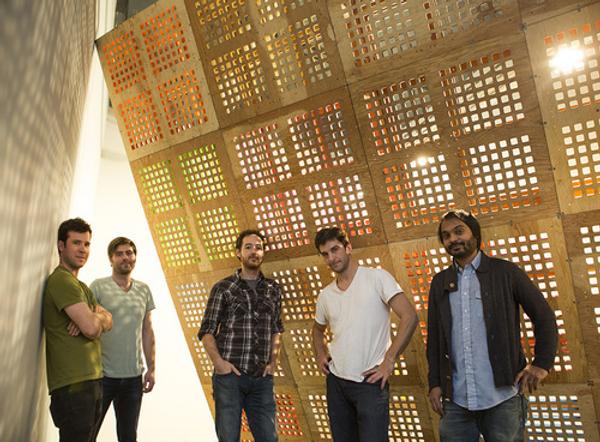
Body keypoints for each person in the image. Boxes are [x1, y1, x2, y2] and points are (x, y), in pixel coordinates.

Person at [427, 210, 558, 441]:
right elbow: (436, 339)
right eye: (446, 235)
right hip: (457, 401)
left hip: (502, 399)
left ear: (475, 234)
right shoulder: (439, 283)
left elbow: (544, 316)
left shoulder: (505, 272)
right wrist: (435, 384)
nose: (453, 239)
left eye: (459, 231)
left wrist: (542, 363)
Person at [312, 226, 418, 442]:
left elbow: (409, 316)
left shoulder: (377, 278)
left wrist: (389, 361)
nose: (331, 258)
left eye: (335, 250)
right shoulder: (325, 295)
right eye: (325, 254)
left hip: (369, 382)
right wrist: (320, 354)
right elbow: (316, 329)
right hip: (337, 382)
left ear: (348, 247)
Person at [198, 229, 284, 442]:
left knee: (269, 438)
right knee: (229, 438)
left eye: (259, 247)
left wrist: (273, 362)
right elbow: (207, 330)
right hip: (230, 379)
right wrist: (219, 364)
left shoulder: (273, 289)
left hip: (261, 380)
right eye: (248, 247)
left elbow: (276, 329)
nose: (254, 251)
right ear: (238, 252)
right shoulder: (223, 288)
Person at [43, 218, 113, 441]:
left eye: (87, 244)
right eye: (76, 243)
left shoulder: (81, 286)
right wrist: (94, 318)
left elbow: (109, 319)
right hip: (73, 386)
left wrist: (95, 316)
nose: (83, 249)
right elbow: (92, 329)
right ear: (61, 246)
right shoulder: (61, 281)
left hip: (92, 381)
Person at [90, 237, 156, 442]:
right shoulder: (98, 287)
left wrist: (152, 368)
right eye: (119, 254)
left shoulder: (143, 289)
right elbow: (87, 322)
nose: (125, 257)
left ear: (135, 257)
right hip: (102, 376)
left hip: (133, 378)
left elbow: (147, 330)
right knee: (87, 434)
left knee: (128, 437)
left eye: (129, 253)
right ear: (111, 259)